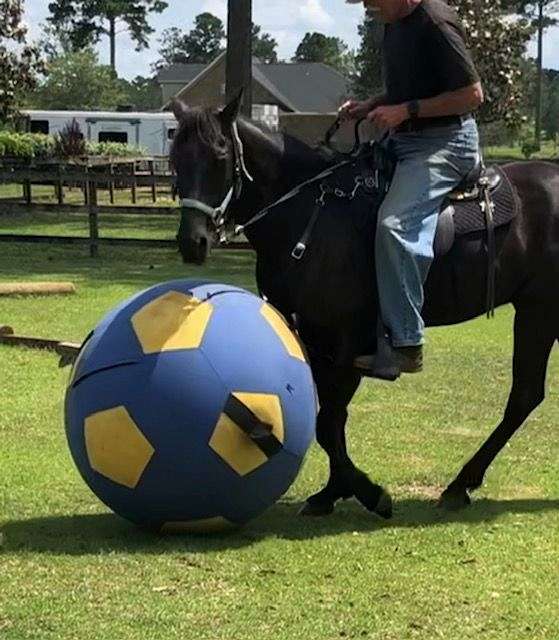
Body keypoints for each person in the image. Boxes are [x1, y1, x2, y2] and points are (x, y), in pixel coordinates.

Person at [340, 0, 483, 377]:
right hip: (406, 139)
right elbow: (410, 88)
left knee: (393, 225)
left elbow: (472, 95)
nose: (368, 6)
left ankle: (406, 342)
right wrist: (371, 104)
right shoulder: (394, 22)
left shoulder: (435, 23)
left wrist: (405, 112)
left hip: (447, 144)